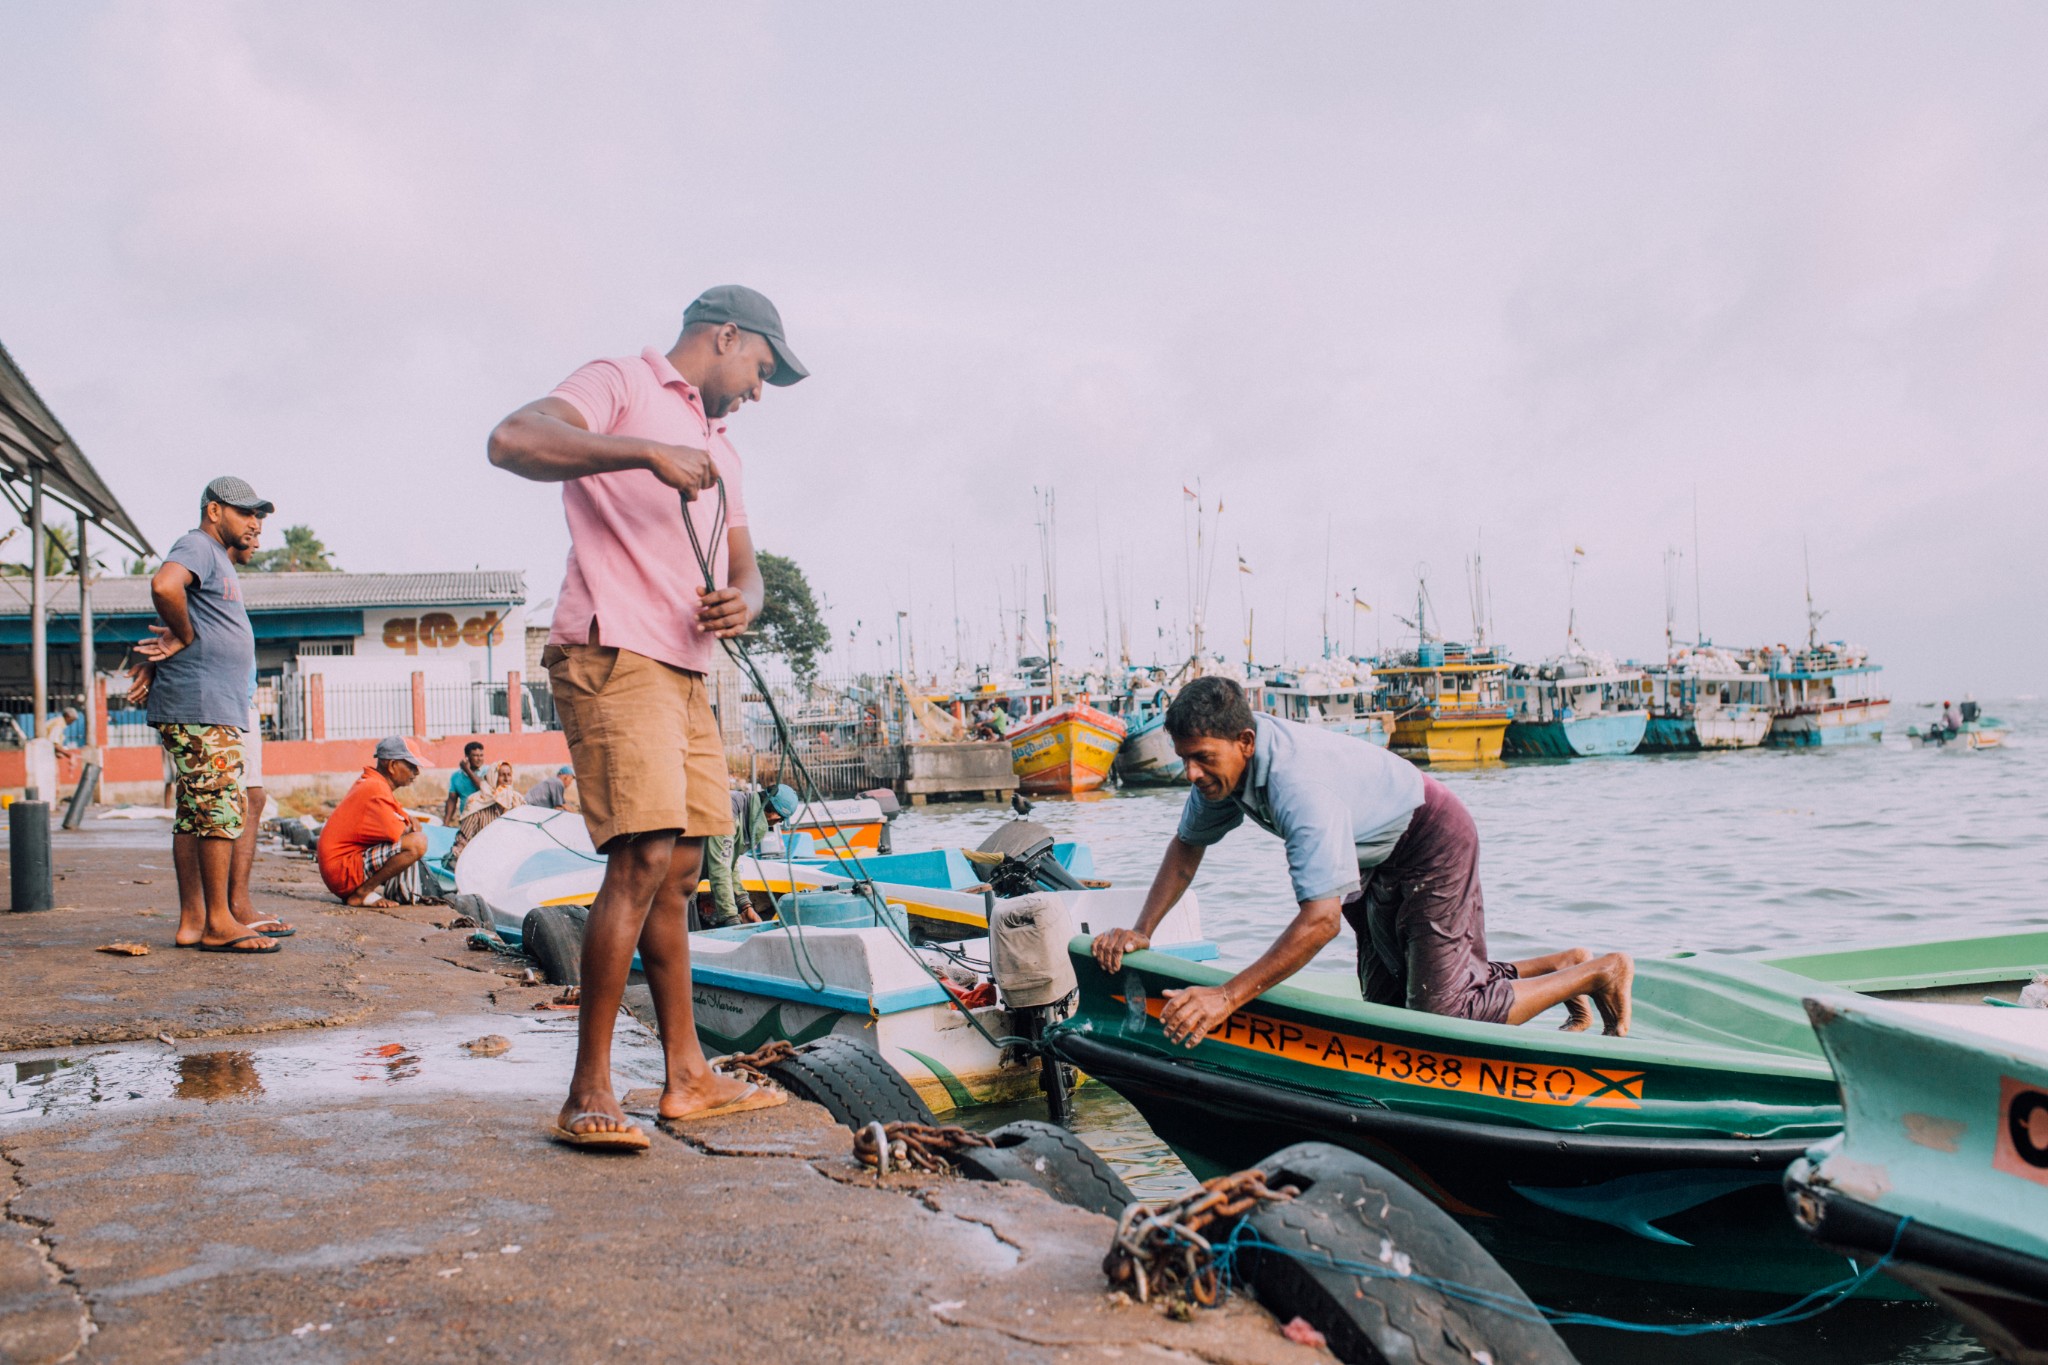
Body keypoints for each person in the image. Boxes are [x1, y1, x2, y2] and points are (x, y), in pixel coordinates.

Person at [488, 283, 806, 1149]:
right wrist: (640, 456)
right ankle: (587, 1086)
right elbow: (511, 439)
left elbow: (748, 567)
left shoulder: (725, 450)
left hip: (686, 667)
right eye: (760, 370)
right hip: (611, 648)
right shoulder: (620, 381)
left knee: (685, 865)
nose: (756, 391)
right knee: (642, 853)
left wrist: (743, 601)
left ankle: (688, 1076)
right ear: (726, 336)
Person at [1091, 677, 1633, 1049]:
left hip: (1430, 838)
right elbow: (1187, 848)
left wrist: (1227, 997)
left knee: (1440, 1019)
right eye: (1183, 758)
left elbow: (1321, 920)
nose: (1190, 773)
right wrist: (1143, 930)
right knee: (1389, 1004)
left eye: (1202, 758)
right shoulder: (1220, 776)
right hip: (1370, 856)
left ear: (1245, 742)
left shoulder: (1297, 787)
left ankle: (1597, 973)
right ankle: (1559, 964)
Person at [133, 476, 278, 954]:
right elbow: (163, 585)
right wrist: (187, 636)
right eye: (245, 512)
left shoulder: (216, 558)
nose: (254, 522)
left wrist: (183, 635)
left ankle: (194, 920)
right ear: (215, 511)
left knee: (195, 813)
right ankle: (219, 921)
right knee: (218, 807)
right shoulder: (197, 545)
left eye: (258, 515)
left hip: (206, 704)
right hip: (203, 705)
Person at [317, 736, 434, 907]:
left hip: (341, 868)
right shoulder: (376, 788)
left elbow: (401, 821)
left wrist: (407, 821)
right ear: (393, 765)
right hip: (342, 872)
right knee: (417, 843)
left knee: (413, 839)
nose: (416, 772)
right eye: (411, 766)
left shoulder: (373, 783)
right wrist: (408, 824)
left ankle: (364, 891)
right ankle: (361, 894)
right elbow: (400, 832)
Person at [703, 783, 794, 929]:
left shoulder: (744, 810)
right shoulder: (729, 809)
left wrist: (744, 905)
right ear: (774, 815)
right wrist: (731, 918)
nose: (776, 824)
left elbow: (729, 863)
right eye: (781, 821)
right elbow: (720, 867)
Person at [449, 760, 524, 863]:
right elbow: (463, 839)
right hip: (481, 859)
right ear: (493, 777)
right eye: (502, 775)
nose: (507, 779)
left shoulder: (517, 800)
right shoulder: (477, 802)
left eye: (509, 775)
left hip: (510, 858)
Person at [444, 741, 487, 825]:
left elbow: (483, 788)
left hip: (485, 820)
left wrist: (468, 770)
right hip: (466, 820)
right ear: (467, 757)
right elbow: (452, 800)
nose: (479, 759)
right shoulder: (456, 776)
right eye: (475, 755)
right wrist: (446, 823)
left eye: (481, 755)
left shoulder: (488, 772)